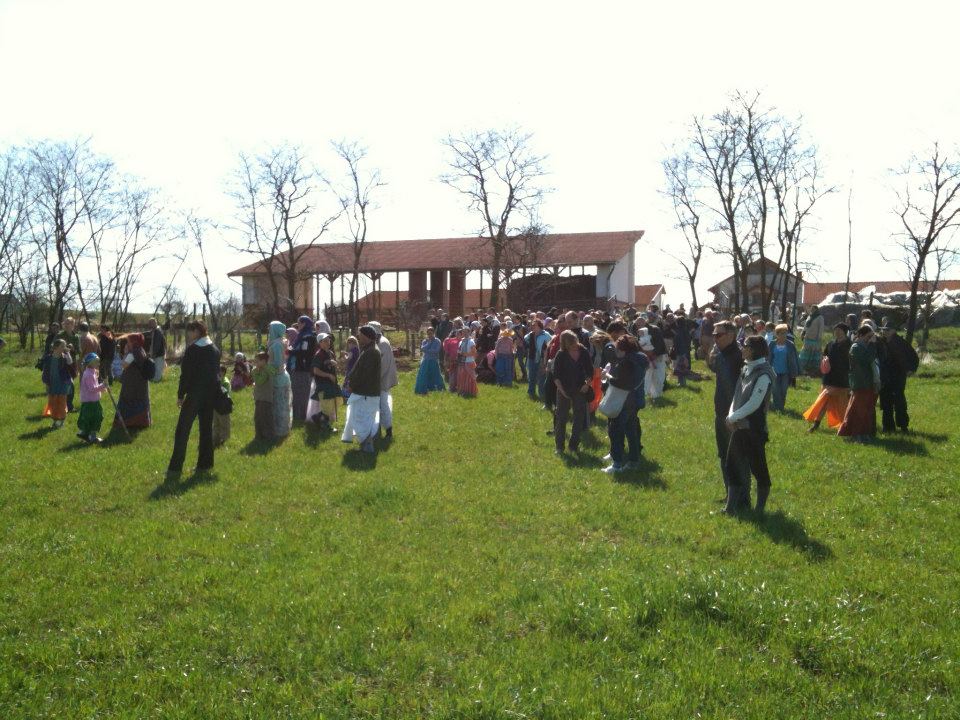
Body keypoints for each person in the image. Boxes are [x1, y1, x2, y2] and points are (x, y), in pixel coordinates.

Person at [724, 335, 776, 514]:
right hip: (739, 427)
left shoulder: (764, 373)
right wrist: (731, 416)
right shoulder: (746, 368)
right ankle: (730, 508)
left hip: (754, 429)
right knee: (731, 465)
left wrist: (733, 417)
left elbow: (755, 403)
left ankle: (759, 510)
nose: (742, 348)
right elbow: (737, 395)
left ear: (753, 350)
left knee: (759, 469)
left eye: (745, 345)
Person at [167, 320, 222, 477]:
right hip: (210, 394)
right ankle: (205, 465)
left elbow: (186, 375)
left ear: (197, 331)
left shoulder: (193, 350)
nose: (189, 334)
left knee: (182, 430)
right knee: (206, 430)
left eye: (190, 331)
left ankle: (175, 468)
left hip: (195, 394)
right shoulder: (215, 349)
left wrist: (180, 395)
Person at [708, 321, 744, 507]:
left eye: (719, 335)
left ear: (731, 335)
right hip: (720, 412)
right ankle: (729, 494)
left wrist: (736, 414)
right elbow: (714, 367)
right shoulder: (721, 354)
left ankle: (741, 499)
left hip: (734, 415)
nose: (715, 338)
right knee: (724, 456)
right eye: (714, 334)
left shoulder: (739, 357)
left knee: (736, 458)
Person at [601, 335, 643, 473]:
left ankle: (617, 464)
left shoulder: (626, 363)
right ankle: (633, 461)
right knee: (631, 431)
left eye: (618, 349)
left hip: (623, 401)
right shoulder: (638, 360)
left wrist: (607, 376)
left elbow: (620, 383)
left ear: (624, 350)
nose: (616, 352)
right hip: (633, 401)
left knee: (616, 431)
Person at [804, 323, 852, 432]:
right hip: (829, 378)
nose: (837, 332)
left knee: (842, 404)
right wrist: (824, 361)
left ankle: (845, 426)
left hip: (842, 379)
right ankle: (816, 424)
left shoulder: (849, 344)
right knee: (823, 401)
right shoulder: (831, 344)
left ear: (844, 332)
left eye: (839, 330)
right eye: (836, 330)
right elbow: (825, 355)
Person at [340, 325, 381, 453]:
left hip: (366, 393)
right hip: (364, 392)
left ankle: (368, 445)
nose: (359, 337)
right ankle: (365, 444)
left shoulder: (372, 352)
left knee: (363, 419)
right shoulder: (368, 350)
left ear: (366, 336)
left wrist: (352, 386)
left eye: (361, 335)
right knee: (359, 417)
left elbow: (365, 374)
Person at [552, 330, 593, 455]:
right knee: (561, 418)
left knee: (579, 417)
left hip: (580, 389)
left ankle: (573, 445)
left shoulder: (584, 352)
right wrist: (562, 391)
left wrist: (587, 385)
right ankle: (559, 447)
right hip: (563, 389)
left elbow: (590, 371)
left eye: (575, 342)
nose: (574, 346)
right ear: (565, 344)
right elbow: (556, 375)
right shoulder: (561, 354)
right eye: (571, 344)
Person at [837, 325, 879, 443]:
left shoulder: (866, 347)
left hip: (867, 383)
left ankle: (864, 433)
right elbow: (866, 360)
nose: (869, 339)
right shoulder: (856, 347)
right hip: (860, 383)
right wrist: (872, 345)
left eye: (871, 337)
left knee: (866, 410)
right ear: (860, 335)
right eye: (868, 337)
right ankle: (856, 433)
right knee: (858, 411)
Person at [876, 320, 919, 433]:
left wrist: (911, 369)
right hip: (884, 376)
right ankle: (888, 427)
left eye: (887, 330)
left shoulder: (901, 342)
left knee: (899, 402)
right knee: (886, 403)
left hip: (897, 377)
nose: (885, 332)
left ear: (894, 331)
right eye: (884, 330)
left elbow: (914, 357)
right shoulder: (881, 342)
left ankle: (903, 426)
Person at [114, 333, 152, 429]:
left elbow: (124, 365)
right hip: (139, 381)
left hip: (132, 383)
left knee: (129, 399)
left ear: (134, 342)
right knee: (140, 399)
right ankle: (141, 422)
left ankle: (128, 422)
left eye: (129, 341)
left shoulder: (133, 353)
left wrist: (125, 352)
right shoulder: (141, 350)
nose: (127, 343)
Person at [368, 322, 397, 438]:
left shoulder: (383, 343)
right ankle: (377, 429)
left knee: (383, 405)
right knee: (377, 404)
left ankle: (388, 430)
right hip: (378, 379)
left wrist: (373, 379)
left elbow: (383, 366)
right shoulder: (378, 342)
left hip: (382, 380)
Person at [289, 315, 317, 424]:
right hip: (299, 367)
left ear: (304, 324)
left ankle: (301, 414)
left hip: (303, 368)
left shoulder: (308, 337)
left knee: (302, 392)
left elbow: (305, 353)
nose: (298, 325)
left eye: (299, 323)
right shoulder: (301, 335)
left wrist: (290, 351)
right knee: (297, 391)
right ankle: (297, 414)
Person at [308, 332, 340, 430]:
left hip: (331, 383)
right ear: (320, 343)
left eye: (328, 340)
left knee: (335, 402)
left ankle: (318, 418)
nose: (328, 342)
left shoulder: (330, 353)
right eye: (325, 341)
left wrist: (336, 365)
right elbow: (315, 370)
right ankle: (325, 425)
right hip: (323, 383)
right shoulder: (319, 355)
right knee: (327, 405)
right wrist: (328, 375)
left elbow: (331, 366)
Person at [267, 321, 292, 438]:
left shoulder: (277, 345)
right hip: (280, 376)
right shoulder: (278, 342)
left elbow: (278, 364)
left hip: (278, 377)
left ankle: (280, 430)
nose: (269, 331)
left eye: (270, 329)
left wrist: (268, 371)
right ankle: (281, 429)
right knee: (281, 404)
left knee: (279, 405)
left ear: (275, 330)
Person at [76, 353, 108, 444]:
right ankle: (91, 437)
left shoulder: (92, 372)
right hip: (90, 402)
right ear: (90, 363)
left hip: (92, 400)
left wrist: (102, 388)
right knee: (94, 418)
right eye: (96, 362)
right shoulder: (89, 375)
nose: (98, 364)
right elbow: (92, 389)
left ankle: (85, 434)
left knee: (90, 418)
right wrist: (103, 385)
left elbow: (94, 386)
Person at [768, 323, 800, 412]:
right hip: (774, 371)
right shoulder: (772, 344)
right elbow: (768, 357)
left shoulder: (790, 344)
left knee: (783, 390)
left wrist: (795, 372)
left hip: (786, 372)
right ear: (777, 334)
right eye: (781, 333)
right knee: (775, 390)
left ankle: (781, 407)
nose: (784, 335)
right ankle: (777, 407)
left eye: (785, 333)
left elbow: (795, 359)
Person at [42, 339, 72, 429]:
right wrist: (46, 383)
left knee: (62, 402)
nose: (64, 348)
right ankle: (55, 420)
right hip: (52, 384)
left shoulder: (64, 357)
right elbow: (45, 372)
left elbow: (70, 362)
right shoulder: (48, 358)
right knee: (53, 403)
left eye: (65, 346)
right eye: (62, 346)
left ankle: (61, 420)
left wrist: (68, 353)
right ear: (56, 347)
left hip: (63, 383)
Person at [55, 317, 80, 411]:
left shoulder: (76, 337)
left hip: (71, 363)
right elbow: (52, 347)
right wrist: (62, 349)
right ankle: (61, 405)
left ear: (73, 325)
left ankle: (68, 405)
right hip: (61, 362)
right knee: (62, 384)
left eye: (68, 323)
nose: (66, 325)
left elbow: (79, 351)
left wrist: (73, 349)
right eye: (65, 323)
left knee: (70, 385)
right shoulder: (59, 335)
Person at [251, 351, 274, 441]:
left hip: (265, 398)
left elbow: (259, 381)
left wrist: (254, 372)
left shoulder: (266, 370)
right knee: (258, 417)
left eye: (257, 361)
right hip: (259, 397)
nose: (255, 363)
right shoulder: (262, 369)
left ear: (264, 361)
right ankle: (259, 436)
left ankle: (267, 436)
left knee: (264, 418)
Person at [415, 326, 446, 394]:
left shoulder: (437, 341)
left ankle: (438, 389)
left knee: (436, 375)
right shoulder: (425, 341)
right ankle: (422, 390)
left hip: (434, 360)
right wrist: (429, 343)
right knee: (423, 375)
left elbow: (436, 351)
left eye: (431, 333)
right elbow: (422, 349)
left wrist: (427, 350)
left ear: (433, 333)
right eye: (428, 333)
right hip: (425, 360)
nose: (429, 335)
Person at [798, 305, 825, 376]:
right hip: (807, 338)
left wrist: (819, 337)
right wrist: (803, 333)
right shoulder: (810, 317)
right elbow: (805, 326)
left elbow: (821, 328)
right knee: (805, 353)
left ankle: (814, 369)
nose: (811, 310)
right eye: (811, 309)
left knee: (814, 354)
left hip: (815, 339)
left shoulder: (820, 317)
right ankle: (803, 367)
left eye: (813, 309)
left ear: (816, 309)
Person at [456, 327, 479, 398]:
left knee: (470, 377)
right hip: (462, 362)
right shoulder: (461, 341)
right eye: (463, 332)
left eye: (466, 332)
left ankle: (471, 392)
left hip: (469, 361)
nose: (465, 333)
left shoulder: (471, 341)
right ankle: (463, 391)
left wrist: (464, 354)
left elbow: (474, 352)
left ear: (469, 332)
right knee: (462, 377)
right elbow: (459, 351)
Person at [212, 364, 231, 447]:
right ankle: (215, 439)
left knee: (224, 423)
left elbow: (223, 392)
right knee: (216, 423)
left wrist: (218, 383)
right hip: (215, 404)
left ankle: (223, 440)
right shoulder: (216, 380)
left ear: (223, 372)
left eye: (218, 371)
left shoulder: (225, 382)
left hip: (223, 405)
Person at [146, 318, 166, 382]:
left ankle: (156, 381)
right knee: (156, 368)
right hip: (157, 354)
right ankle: (155, 380)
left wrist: (154, 353)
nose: (149, 325)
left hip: (158, 354)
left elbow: (157, 344)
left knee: (158, 368)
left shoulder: (157, 331)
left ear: (155, 323)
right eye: (149, 323)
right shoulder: (155, 331)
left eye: (151, 323)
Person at [442, 327, 461, 393]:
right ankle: (452, 388)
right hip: (452, 360)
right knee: (452, 374)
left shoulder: (464, 341)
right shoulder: (450, 341)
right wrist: (446, 360)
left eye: (459, 334)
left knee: (459, 374)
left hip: (461, 360)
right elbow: (447, 352)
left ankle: (459, 387)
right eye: (457, 333)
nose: (458, 335)